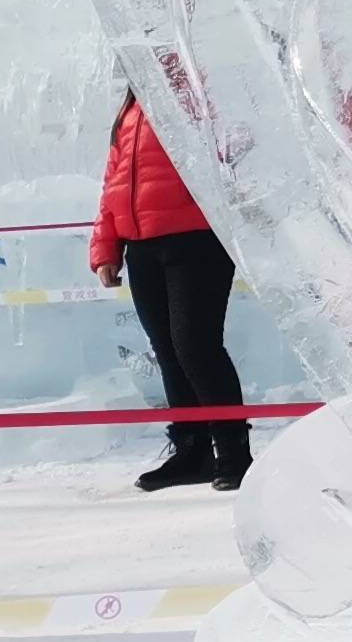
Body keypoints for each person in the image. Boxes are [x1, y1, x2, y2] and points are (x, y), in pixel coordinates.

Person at [91, 92, 249, 491]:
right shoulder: (129, 110)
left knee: (196, 346)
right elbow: (113, 180)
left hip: (197, 239)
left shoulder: (191, 90)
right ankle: (191, 452)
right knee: (167, 348)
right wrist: (106, 247)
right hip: (141, 245)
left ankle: (233, 454)